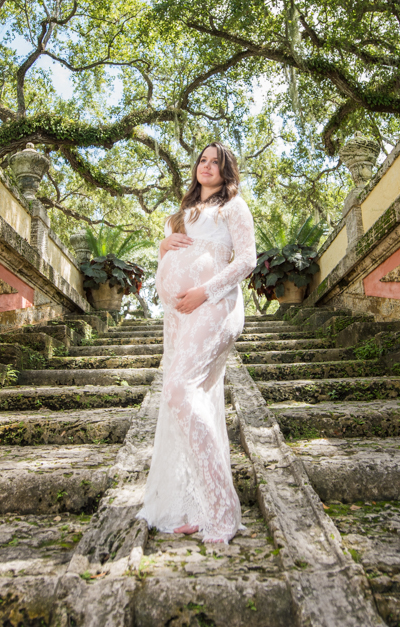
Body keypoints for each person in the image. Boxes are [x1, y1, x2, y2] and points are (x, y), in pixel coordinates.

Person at [137, 142, 257, 544]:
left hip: (216, 304)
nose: (207, 166)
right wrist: (162, 248)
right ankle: (194, 505)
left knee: (178, 391)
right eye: (202, 160)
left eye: (215, 162)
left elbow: (247, 261)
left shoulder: (233, 207)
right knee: (187, 402)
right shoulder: (180, 215)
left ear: (227, 170)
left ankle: (223, 511)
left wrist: (204, 290)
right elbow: (166, 267)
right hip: (181, 316)